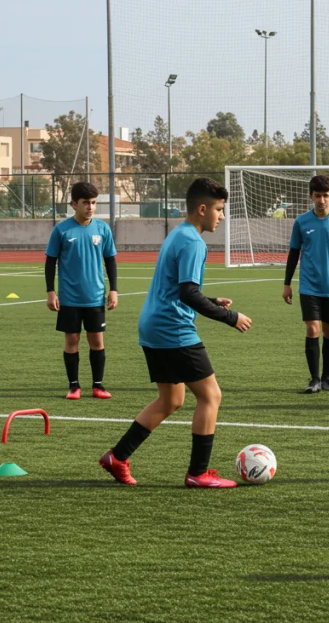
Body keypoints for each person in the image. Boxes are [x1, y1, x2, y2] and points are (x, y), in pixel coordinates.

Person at [98, 178, 252, 487]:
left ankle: (118, 456)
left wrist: (210, 300)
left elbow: (180, 289)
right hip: (173, 329)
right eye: (219, 210)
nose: (221, 217)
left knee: (171, 400)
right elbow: (186, 294)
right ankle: (198, 473)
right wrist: (229, 316)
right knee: (211, 396)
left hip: (152, 326)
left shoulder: (178, 234)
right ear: (202, 208)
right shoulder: (193, 241)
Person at [283, 175, 329, 393]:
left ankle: (326, 378)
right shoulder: (301, 222)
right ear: (311, 196)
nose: (322, 200)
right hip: (309, 286)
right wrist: (286, 284)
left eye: (326, 196)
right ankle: (314, 379)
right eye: (318, 196)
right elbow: (293, 254)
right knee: (312, 328)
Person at [45, 182, 118, 400]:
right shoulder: (61, 230)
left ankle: (98, 386)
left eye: (94, 203)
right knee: (72, 341)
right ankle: (74, 386)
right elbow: (50, 262)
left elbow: (110, 260)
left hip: (95, 296)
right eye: (86, 203)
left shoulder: (103, 229)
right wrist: (51, 291)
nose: (91, 207)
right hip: (69, 298)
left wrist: (114, 289)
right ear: (74, 204)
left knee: (97, 342)